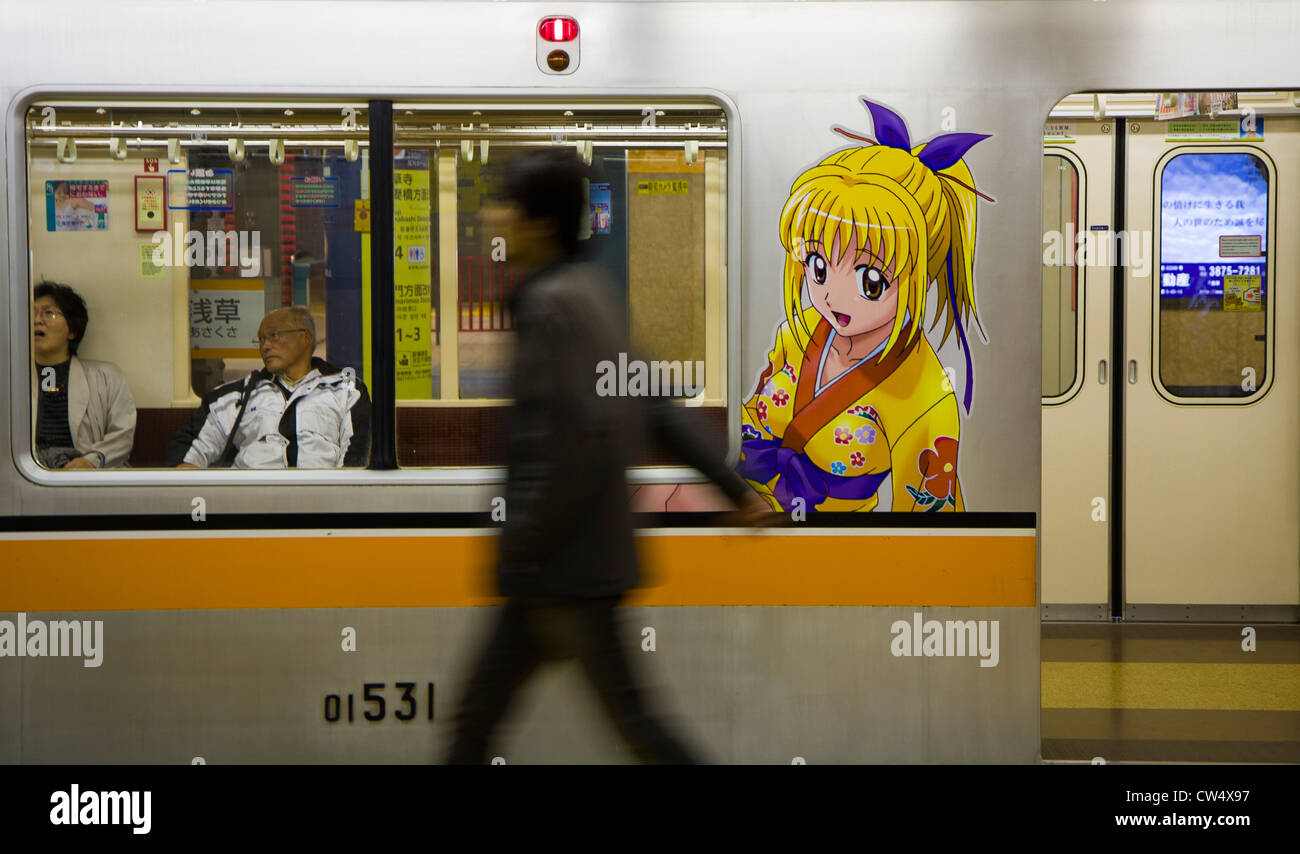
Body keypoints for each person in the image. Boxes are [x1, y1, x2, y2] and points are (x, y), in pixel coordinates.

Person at [444, 151, 768, 765]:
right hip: (578, 561)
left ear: (539, 225)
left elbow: (580, 437)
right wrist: (731, 487)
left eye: (504, 207)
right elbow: (652, 403)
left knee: (503, 725)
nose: (491, 219)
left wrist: (524, 542)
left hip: (560, 567)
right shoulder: (590, 293)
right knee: (488, 723)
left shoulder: (551, 306)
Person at [738, 99, 993, 513]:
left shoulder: (925, 393)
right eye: (818, 266)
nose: (832, 297)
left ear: (919, 275)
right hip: (747, 517)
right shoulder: (800, 331)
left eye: (869, 281)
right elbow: (752, 414)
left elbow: (926, 525)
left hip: (839, 550)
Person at [167, 306, 370, 469]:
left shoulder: (346, 390)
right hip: (249, 505)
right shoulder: (237, 395)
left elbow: (356, 460)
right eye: (261, 339)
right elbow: (190, 454)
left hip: (322, 504)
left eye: (274, 335)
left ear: (306, 338)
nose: (265, 346)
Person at [32, 281, 136, 469]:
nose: (37, 320)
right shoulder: (10, 380)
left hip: (89, 476)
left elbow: (122, 436)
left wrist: (90, 462)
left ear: (72, 331)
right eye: (32, 312)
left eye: (49, 313)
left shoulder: (107, 377)